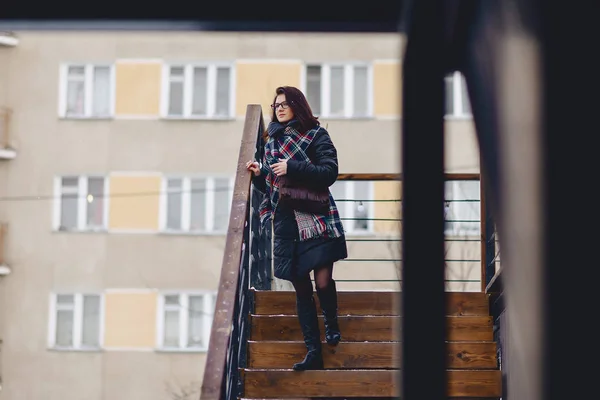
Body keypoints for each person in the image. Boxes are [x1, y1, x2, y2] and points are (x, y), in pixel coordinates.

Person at [246, 86, 348, 371]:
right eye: (276, 104)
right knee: (302, 290)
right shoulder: (271, 144)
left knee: (323, 280)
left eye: (285, 104)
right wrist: (260, 174)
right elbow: (274, 186)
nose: (279, 108)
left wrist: (292, 167)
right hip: (287, 223)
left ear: (297, 106)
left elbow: (329, 172)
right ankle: (313, 352)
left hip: (316, 218)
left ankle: (331, 323)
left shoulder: (316, 135)